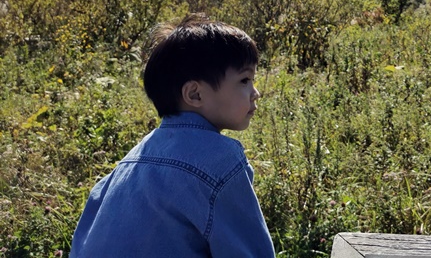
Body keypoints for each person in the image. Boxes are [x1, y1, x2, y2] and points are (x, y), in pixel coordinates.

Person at [70, 14, 276, 257]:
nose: (256, 92)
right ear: (195, 94)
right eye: (244, 80)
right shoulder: (220, 160)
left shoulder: (131, 160)